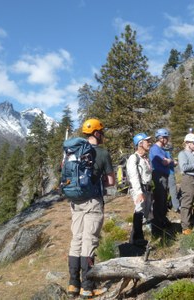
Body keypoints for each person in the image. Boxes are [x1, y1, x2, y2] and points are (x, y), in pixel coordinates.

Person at [67, 118, 115, 299]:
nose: (103, 135)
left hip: (75, 201)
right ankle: (87, 287)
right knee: (89, 241)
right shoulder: (101, 153)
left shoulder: (72, 151)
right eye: (101, 132)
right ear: (96, 133)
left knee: (76, 240)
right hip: (93, 202)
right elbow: (110, 182)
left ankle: (73, 285)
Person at [126, 133, 153, 246]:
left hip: (147, 189)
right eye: (147, 141)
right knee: (139, 211)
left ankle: (136, 238)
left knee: (144, 213)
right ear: (140, 143)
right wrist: (139, 192)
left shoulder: (145, 158)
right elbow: (134, 176)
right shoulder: (134, 158)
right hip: (140, 189)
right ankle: (136, 239)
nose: (149, 143)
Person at [149, 128, 174, 233]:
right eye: (166, 137)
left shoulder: (163, 149)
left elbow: (168, 161)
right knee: (159, 199)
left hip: (164, 175)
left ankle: (163, 220)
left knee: (163, 199)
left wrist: (170, 161)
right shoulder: (155, 149)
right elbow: (165, 162)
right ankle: (157, 224)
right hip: (158, 176)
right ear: (161, 138)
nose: (167, 139)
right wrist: (171, 161)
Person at [164, 143, 180, 212]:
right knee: (173, 190)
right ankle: (176, 206)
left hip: (164, 173)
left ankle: (166, 205)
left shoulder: (162, 153)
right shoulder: (167, 153)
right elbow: (168, 162)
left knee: (165, 190)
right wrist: (174, 163)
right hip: (170, 173)